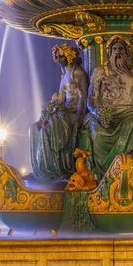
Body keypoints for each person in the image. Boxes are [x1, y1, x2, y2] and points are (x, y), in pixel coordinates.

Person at [84, 36, 133, 178]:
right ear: (109, 52)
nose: (117, 52)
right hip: (104, 113)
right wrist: (96, 111)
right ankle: (104, 174)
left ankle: (132, 172)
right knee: (96, 131)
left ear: (127, 52)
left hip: (129, 112)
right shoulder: (100, 71)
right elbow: (92, 97)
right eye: (114, 49)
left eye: (121, 49)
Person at [30, 44, 89, 179]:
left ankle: (54, 168)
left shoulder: (78, 73)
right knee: (36, 127)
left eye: (61, 56)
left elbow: (83, 97)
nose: (59, 59)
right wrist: (48, 110)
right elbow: (61, 99)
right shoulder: (65, 75)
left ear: (69, 56)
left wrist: (80, 119)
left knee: (47, 131)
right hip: (64, 111)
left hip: (73, 113)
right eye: (57, 57)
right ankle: (41, 167)